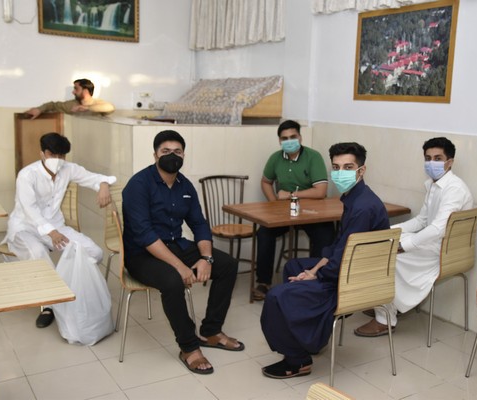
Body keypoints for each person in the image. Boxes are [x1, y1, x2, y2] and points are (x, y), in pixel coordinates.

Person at [260, 142, 390, 379]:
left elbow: (343, 261)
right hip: (346, 268)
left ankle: (298, 361)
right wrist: (316, 268)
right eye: (336, 167)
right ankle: (309, 334)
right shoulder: (355, 198)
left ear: (361, 170)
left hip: (352, 281)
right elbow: (340, 245)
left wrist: (316, 274)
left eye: (348, 167)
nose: (340, 173)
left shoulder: (362, 207)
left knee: (277, 296)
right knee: (293, 266)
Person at [122, 130, 244, 375]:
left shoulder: (185, 185)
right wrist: (180, 266)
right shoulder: (138, 185)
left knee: (228, 265)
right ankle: (189, 347)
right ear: (155, 155)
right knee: (172, 280)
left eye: (177, 152)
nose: (172, 156)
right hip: (141, 254)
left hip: (176, 245)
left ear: (184, 155)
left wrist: (206, 258)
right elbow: (145, 235)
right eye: (165, 151)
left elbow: (199, 224)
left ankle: (211, 331)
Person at [354, 137, 474, 337]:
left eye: (438, 158)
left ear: (450, 162)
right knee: (382, 244)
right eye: (428, 158)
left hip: (445, 250)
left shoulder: (454, 189)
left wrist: (404, 244)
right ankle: (386, 303)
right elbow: (421, 221)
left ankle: (385, 318)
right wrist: (387, 231)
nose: (431, 163)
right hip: (434, 243)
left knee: (386, 257)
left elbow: (438, 228)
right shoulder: (434, 185)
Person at [3, 132, 116, 328]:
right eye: (52, 154)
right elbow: (30, 210)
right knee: (38, 254)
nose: (57, 159)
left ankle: (72, 290)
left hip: (57, 226)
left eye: (61, 155)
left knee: (94, 253)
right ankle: (49, 306)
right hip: (25, 228)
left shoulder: (68, 169)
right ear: (42, 154)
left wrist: (103, 185)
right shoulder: (27, 175)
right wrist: (51, 233)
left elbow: (93, 178)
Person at [254, 120, 335, 300]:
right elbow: (265, 182)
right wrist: (274, 202)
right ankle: (263, 282)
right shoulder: (275, 158)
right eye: (284, 138)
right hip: (285, 214)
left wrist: (291, 194)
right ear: (279, 141)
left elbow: (321, 191)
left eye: (293, 137)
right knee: (264, 233)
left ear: (300, 137)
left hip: (312, 214)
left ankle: (314, 280)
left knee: (326, 234)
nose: (289, 141)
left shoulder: (313, 157)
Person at [25, 78, 115, 119]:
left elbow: (110, 108)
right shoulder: (71, 104)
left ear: (85, 90)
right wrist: (39, 109)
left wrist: (87, 108)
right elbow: (53, 105)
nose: (73, 92)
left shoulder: (97, 103)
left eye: (76, 89)